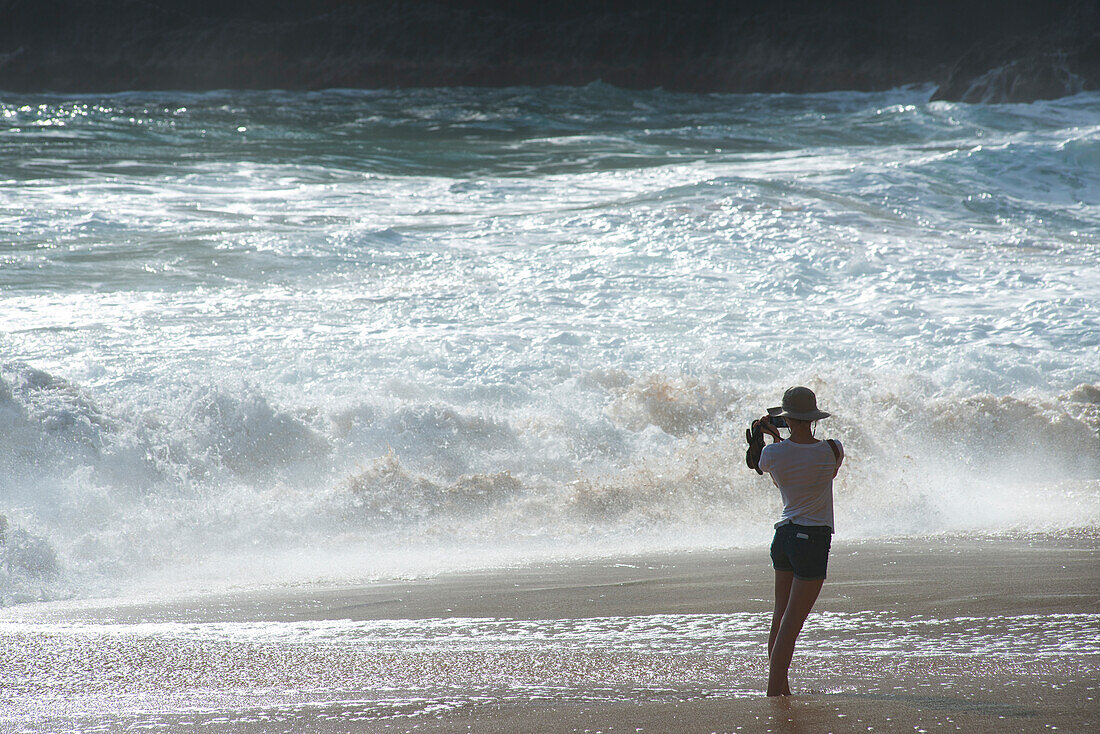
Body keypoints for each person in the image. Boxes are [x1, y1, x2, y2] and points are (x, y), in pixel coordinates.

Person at [756, 386, 843, 697]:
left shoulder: (772, 453)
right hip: (813, 539)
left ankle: (782, 689)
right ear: (814, 418)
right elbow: (819, 469)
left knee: (781, 618)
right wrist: (785, 437)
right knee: (792, 625)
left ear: (787, 418)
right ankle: (774, 693)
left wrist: (773, 437)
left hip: (784, 536)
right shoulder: (833, 450)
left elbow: (776, 461)